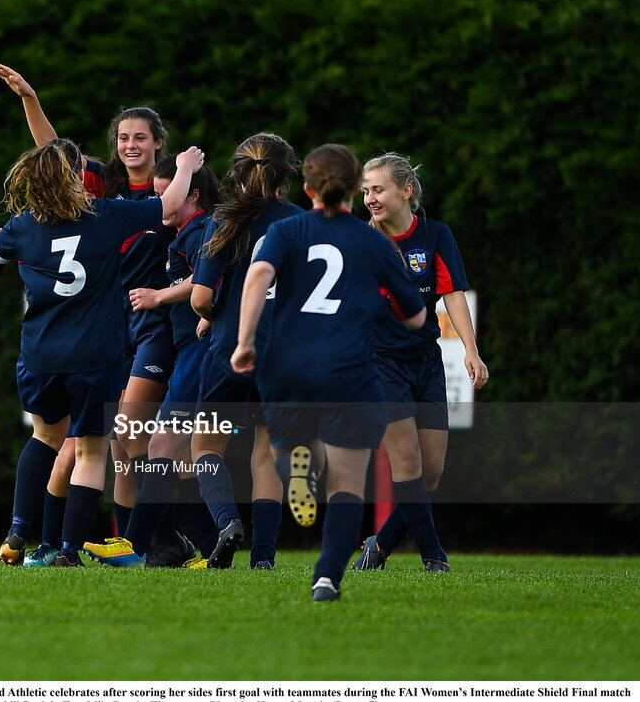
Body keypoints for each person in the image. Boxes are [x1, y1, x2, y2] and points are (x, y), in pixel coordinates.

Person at [0, 140, 204, 567]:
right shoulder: (105, 215)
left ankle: (18, 530)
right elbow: (169, 204)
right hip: (95, 356)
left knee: (44, 437)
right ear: (77, 176)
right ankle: (67, 551)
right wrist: (187, 166)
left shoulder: (22, 225)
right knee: (92, 453)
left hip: (40, 355)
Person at [230, 143, 425, 601]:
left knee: (291, 452)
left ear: (308, 188)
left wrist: (244, 341)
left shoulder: (289, 229)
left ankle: (301, 466)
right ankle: (326, 578)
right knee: (346, 481)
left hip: (287, 365)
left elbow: (257, 277)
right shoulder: (370, 239)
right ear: (356, 190)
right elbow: (415, 316)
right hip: (350, 369)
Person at [83, 155, 224, 567]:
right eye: (159, 195)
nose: (162, 203)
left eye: (169, 196)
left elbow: (204, 282)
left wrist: (161, 296)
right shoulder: (181, 232)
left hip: (197, 352)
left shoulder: (201, 230)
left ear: (192, 194)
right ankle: (202, 548)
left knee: (161, 444)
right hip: (187, 351)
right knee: (177, 453)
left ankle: (138, 544)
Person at [351, 152, 489, 572]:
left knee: (431, 471)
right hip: (379, 363)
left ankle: (381, 543)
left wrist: (470, 348)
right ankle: (435, 558)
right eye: (365, 191)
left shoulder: (436, 235)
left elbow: (452, 294)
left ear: (406, 191)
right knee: (406, 461)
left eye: (378, 189)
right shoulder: (360, 241)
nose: (370, 198)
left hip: (426, 360)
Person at [188, 133, 300, 569]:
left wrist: (215, 314)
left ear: (236, 171)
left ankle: (228, 522)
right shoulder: (302, 223)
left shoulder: (223, 219)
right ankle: (264, 558)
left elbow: (199, 297)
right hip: (283, 357)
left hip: (230, 350)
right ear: (284, 175)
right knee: (267, 454)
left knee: (205, 448)